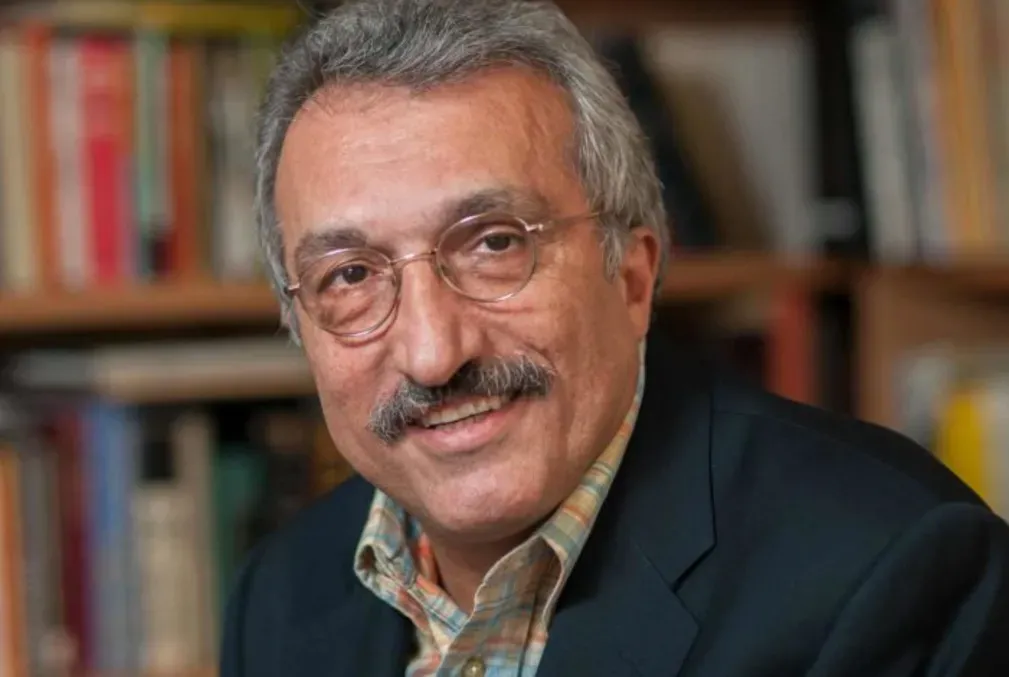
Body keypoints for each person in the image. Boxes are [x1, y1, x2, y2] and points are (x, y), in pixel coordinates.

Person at [219, 0, 1009, 675]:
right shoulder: (280, 594)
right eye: (350, 275)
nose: (433, 352)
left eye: (494, 243)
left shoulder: (890, 568)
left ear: (632, 275)